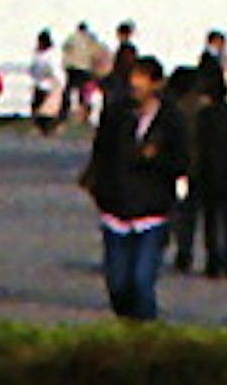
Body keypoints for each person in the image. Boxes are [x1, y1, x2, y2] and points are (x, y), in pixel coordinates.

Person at [81, 51, 184, 326]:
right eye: (133, 77)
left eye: (142, 79)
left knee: (141, 280)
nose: (135, 84)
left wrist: (157, 158)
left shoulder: (171, 120)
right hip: (116, 211)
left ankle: (146, 334)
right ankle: (127, 327)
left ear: (156, 84)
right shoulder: (116, 114)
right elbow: (101, 152)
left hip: (152, 212)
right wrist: (97, 186)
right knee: (117, 283)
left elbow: (183, 160)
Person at [184, 36, 227, 281]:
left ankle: (213, 260)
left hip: (208, 173)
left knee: (211, 219)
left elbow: (197, 144)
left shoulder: (204, 117)